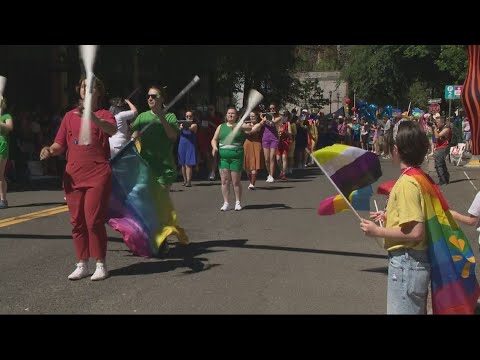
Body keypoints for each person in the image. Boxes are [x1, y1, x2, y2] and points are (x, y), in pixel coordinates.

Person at [40, 76, 117, 281]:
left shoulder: (104, 114)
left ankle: (101, 263)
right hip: (73, 175)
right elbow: (59, 145)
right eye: (83, 86)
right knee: (77, 222)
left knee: (93, 220)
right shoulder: (68, 117)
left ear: (99, 92)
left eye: (91, 87)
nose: (86, 89)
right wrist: (49, 150)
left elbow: (112, 130)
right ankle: (82, 263)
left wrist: (93, 118)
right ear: (79, 91)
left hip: (98, 173)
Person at [360, 120, 430, 314]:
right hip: (413, 264)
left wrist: (378, 231)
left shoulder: (407, 183)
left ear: (396, 150)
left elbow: (416, 231)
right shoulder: (418, 177)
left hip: (406, 263)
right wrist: (389, 214)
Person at [211, 107, 263, 211]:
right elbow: (214, 139)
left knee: (235, 181)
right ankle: (226, 202)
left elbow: (250, 129)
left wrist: (259, 123)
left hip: (236, 157)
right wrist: (214, 147)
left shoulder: (240, 126)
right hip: (223, 158)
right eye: (229, 113)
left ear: (236, 115)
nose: (230, 115)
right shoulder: (221, 127)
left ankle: (238, 202)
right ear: (226, 115)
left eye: (233, 113)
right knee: (225, 181)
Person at [130, 86, 179, 190]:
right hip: (145, 168)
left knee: (159, 203)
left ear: (161, 99)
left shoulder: (170, 117)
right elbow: (133, 136)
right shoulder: (142, 117)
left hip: (164, 170)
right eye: (148, 96)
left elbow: (173, 136)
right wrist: (134, 137)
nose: (150, 98)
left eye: (153, 96)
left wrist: (161, 117)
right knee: (146, 204)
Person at [178, 110, 198, 187]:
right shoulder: (182, 125)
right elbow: (178, 130)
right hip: (182, 144)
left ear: (193, 117)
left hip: (190, 145)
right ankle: (185, 180)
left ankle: (189, 181)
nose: (188, 117)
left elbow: (190, 129)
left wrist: (183, 126)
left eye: (190, 116)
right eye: (187, 116)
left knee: (188, 164)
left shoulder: (194, 125)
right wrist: (180, 127)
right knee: (182, 164)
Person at [0, 96, 13, 209]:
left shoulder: (6, 116)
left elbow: (9, 127)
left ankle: (3, 200)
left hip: (2, 145)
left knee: (0, 175)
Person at [432, 115, 451, 185]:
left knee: (439, 165)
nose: (436, 123)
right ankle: (445, 179)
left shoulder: (446, 128)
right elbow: (434, 138)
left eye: (437, 122)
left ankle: (443, 180)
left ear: (442, 123)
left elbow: (437, 136)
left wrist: (434, 128)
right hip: (439, 147)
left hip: (442, 148)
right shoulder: (440, 128)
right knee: (441, 164)